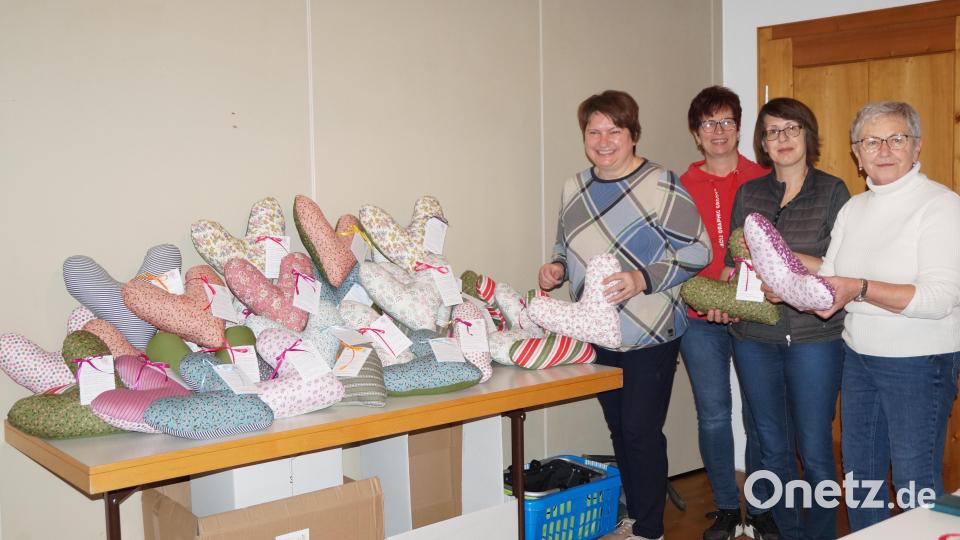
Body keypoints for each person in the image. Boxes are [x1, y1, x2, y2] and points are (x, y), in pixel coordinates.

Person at [539, 90, 710, 540]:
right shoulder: (573, 187)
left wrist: (642, 278)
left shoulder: (661, 182)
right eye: (593, 131)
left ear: (633, 134)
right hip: (597, 332)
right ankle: (635, 517)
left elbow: (699, 249)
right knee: (619, 429)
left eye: (614, 130)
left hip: (651, 331)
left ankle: (649, 529)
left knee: (640, 431)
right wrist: (556, 267)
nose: (604, 140)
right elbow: (565, 244)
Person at [815, 101, 960, 531]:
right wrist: (780, 279)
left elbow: (940, 298)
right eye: (871, 141)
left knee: (917, 483)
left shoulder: (941, 205)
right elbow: (829, 279)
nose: (883, 149)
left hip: (919, 363)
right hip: (858, 357)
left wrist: (858, 288)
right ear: (856, 153)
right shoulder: (853, 209)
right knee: (861, 476)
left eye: (896, 138)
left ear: (916, 148)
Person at [724, 97, 850, 540]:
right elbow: (734, 263)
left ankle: (819, 533)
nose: (782, 139)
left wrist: (786, 263)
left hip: (815, 339)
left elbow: (842, 265)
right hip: (754, 337)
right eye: (772, 131)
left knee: (815, 449)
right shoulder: (750, 193)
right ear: (762, 142)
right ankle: (790, 532)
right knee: (772, 447)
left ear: (807, 135)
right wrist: (728, 294)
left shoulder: (833, 191)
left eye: (791, 129)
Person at [677, 86, 775, 540]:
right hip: (700, 321)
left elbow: (773, 251)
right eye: (708, 124)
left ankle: (761, 509)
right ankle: (724, 507)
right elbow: (673, 254)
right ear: (697, 134)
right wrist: (707, 302)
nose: (718, 132)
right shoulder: (679, 185)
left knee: (760, 414)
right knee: (714, 414)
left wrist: (741, 300)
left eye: (727, 122)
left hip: (756, 316)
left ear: (739, 127)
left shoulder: (765, 177)